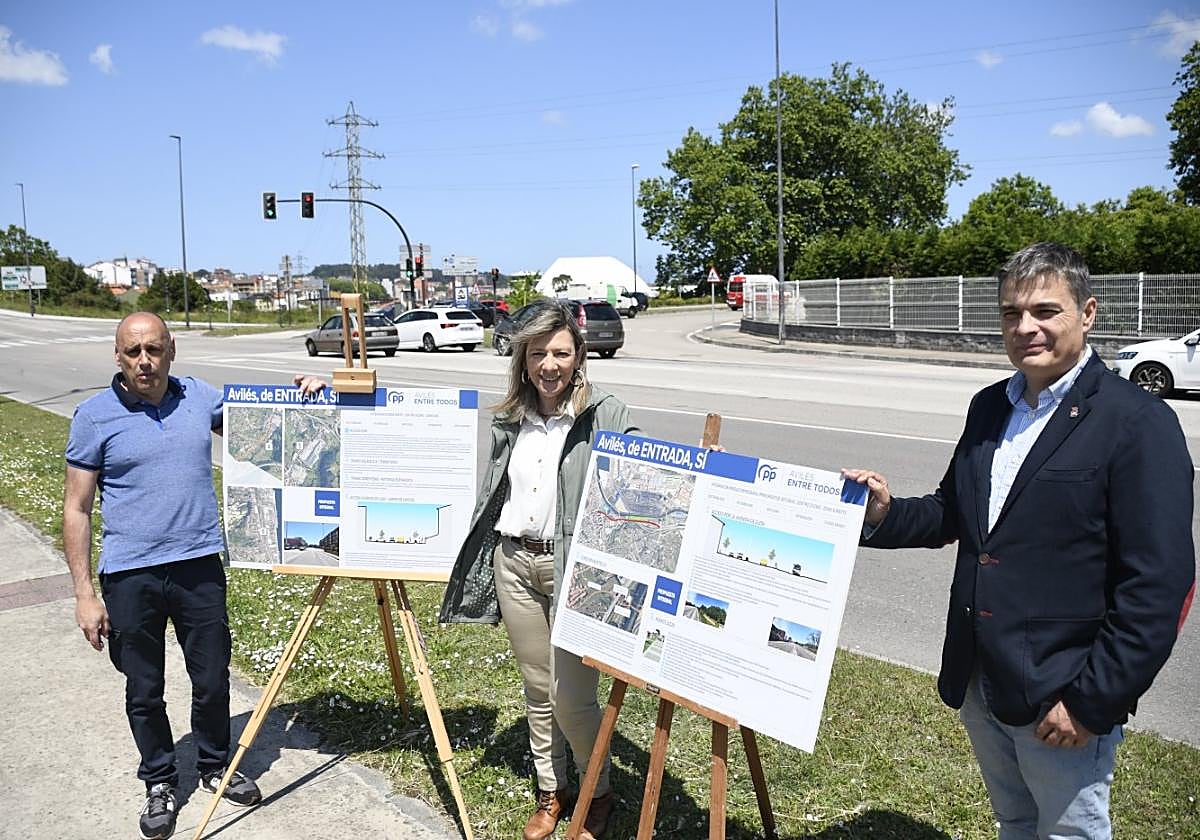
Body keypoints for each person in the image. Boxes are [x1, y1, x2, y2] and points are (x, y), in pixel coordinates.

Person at [843, 243, 1195, 840]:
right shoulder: (990, 406)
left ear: (1087, 313)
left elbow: (1159, 585)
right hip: (982, 677)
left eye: (1045, 311)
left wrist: (1091, 702)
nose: (1025, 327)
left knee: (1067, 833)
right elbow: (953, 512)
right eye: (1012, 313)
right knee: (1015, 821)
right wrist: (885, 514)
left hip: (1062, 690)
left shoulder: (1137, 422)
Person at [439, 299, 638, 840]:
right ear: (522, 360)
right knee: (537, 688)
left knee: (571, 699)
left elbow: (646, 474)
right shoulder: (512, 417)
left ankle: (597, 791)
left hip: (575, 570)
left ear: (579, 356)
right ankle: (553, 790)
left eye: (560, 353)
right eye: (537, 354)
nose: (549, 365)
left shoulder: (605, 413)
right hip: (514, 563)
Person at [63, 312, 261, 840]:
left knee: (212, 677)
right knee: (144, 689)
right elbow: (76, 509)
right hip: (130, 575)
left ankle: (215, 763)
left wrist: (307, 390)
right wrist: (84, 594)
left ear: (171, 350)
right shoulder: (94, 417)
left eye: (154, 349)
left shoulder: (198, 397)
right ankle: (159, 780)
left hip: (198, 565)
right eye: (133, 352)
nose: (145, 361)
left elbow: (264, 420)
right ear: (118, 356)